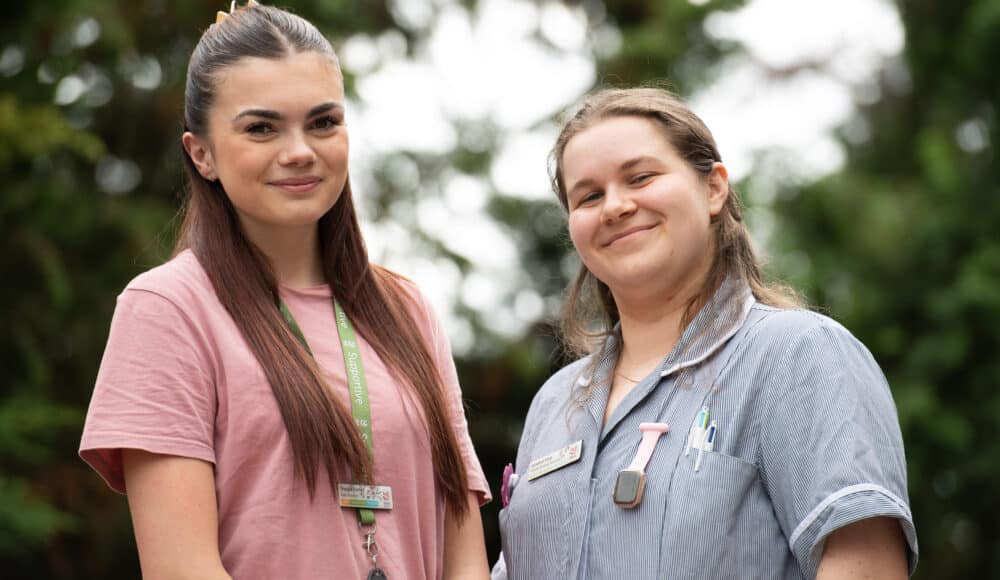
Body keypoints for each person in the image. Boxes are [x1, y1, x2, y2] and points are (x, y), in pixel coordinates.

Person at [79, 3, 491, 579]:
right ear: (202, 154)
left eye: (323, 122)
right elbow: (182, 569)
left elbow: (464, 557)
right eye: (261, 127)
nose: (299, 150)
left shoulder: (408, 310)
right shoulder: (167, 309)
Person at [492, 87, 917, 579]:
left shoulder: (796, 355)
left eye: (641, 177)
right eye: (588, 196)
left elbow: (866, 567)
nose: (615, 206)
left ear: (713, 188)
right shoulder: (554, 405)